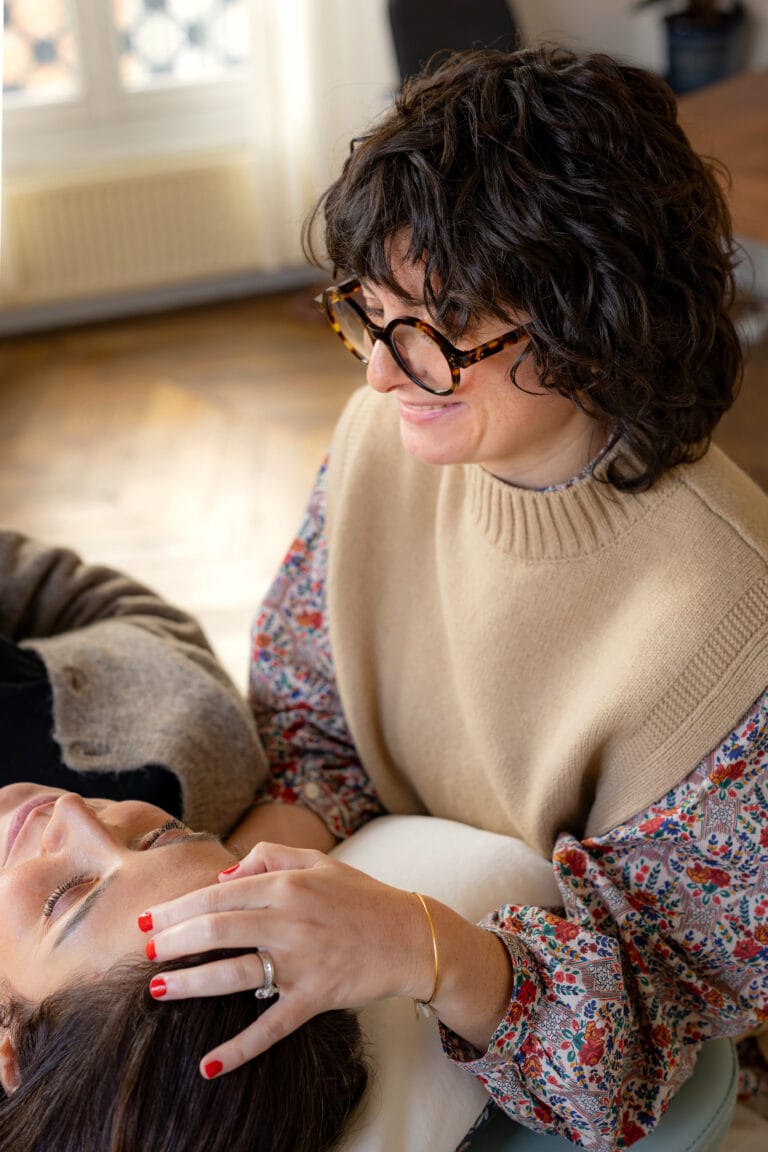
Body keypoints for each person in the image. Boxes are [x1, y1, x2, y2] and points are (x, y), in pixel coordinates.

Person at [144, 44, 768, 1151]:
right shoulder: (390, 438)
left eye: (431, 331)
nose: (380, 373)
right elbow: (312, 729)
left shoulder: (732, 635)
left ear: (598, 316)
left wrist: (416, 946)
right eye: (366, 312)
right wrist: (226, 918)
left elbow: (644, 1048)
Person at [0, 785, 367, 1152]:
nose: (71, 807)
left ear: (11, 1054)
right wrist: (416, 936)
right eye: (162, 837)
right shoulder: (191, 771)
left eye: (62, 896)